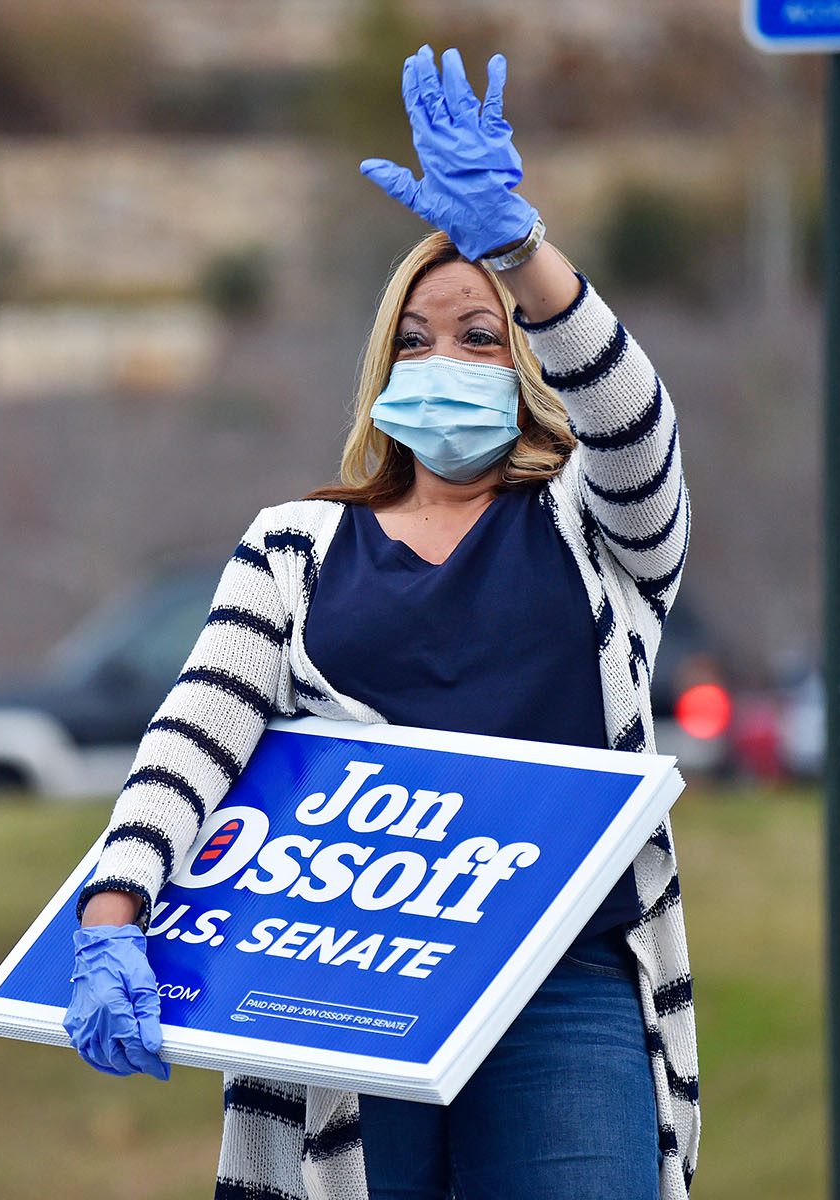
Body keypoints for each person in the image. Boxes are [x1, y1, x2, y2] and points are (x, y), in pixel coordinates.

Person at [61, 44, 699, 1200]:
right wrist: (112, 911)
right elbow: (192, 737)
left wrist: (523, 254)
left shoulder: (594, 530)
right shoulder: (294, 543)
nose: (439, 356)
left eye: (478, 334)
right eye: (413, 337)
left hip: (567, 986)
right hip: (355, 998)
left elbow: (638, 433)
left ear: (532, 368)